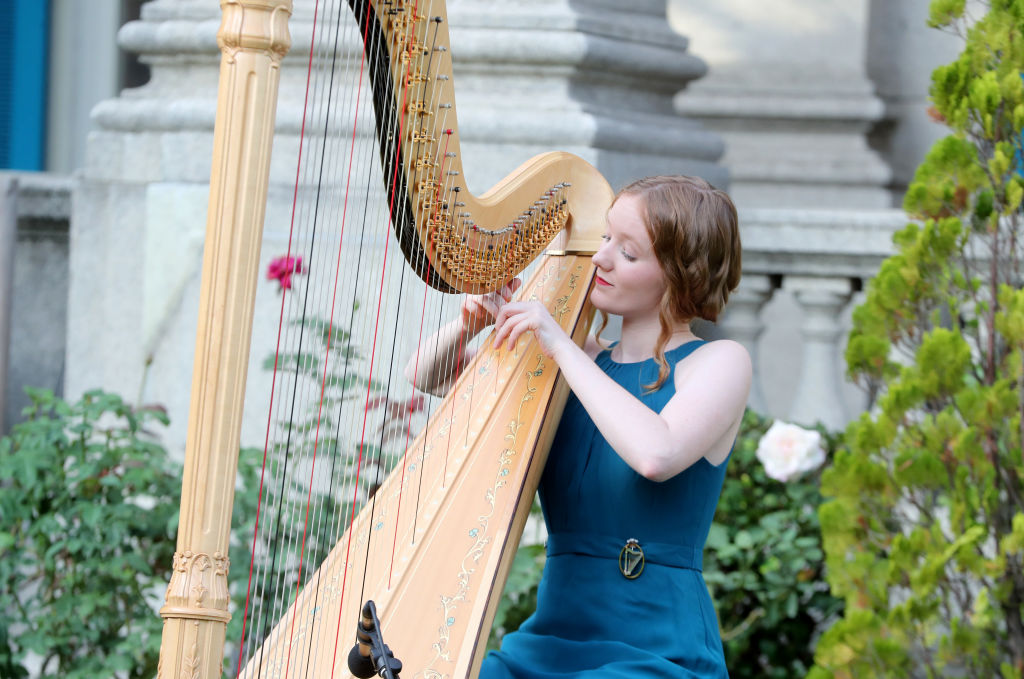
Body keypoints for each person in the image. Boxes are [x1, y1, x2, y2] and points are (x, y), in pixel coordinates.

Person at [406, 175, 749, 678]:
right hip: (551, 641)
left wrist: (562, 345)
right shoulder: (577, 363)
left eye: (629, 253)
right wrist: (469, 325)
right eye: (606, 237)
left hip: (657, 648)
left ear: (680, 274)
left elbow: (656, 455)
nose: (601, 258)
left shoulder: (717, 362)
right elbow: (426, 377)